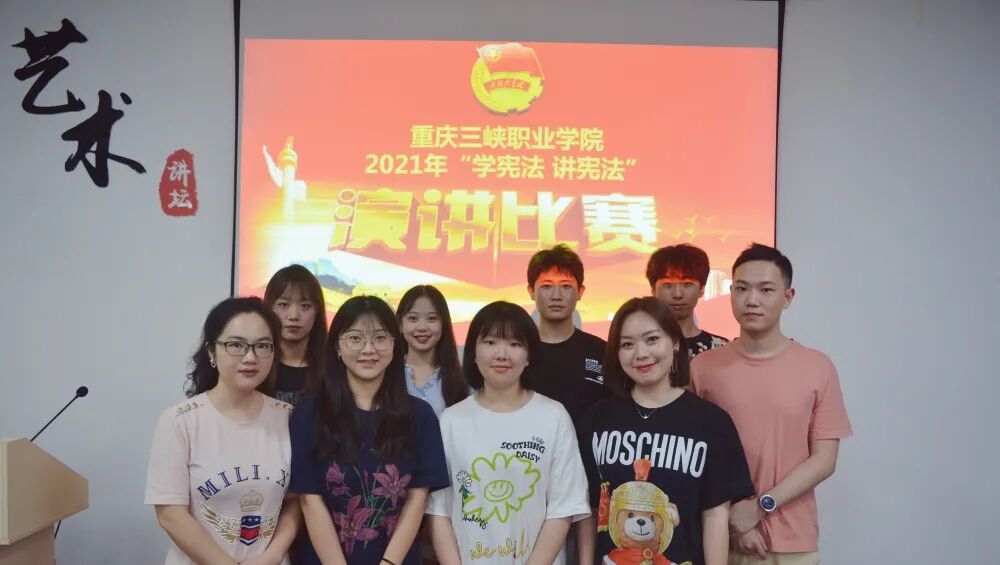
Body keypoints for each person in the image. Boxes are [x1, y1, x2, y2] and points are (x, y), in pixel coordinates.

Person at [691, 244, 853, 565]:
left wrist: (759, 507)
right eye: (741, 289)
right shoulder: (702, 368)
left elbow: (824, 460)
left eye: (766, 290)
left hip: (794, 541)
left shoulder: (817, 367)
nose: (752, 300)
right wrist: (733, 518)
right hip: (719, 540)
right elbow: (696, 457)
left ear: (788, 297)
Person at [577, 297, 754, 565]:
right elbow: (590, 509)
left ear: (675, 342)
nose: (641, 353)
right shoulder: (597, 419)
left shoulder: (711, 422)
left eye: (652, 339)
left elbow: (715, 515)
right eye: (627, 344)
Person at [426, 301, 591, 565]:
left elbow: (563, 509)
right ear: (474, 352)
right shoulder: (451, 421)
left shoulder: (553, 416)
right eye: (490, 342)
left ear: (529, 356)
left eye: (515, 344)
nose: (502, 354)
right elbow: (438, 511)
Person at [289, 296, 449, 564]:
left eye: (380, 338)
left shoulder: (420, 416)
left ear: (395, 345)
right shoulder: (309, 413)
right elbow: (309, 500)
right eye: (355, 338)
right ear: (337, 346)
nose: (368, 349)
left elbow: (417, 499)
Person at [146, 297, 299, 565]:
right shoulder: (179, 421)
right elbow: (170, 514)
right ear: (211, 351)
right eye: (236, 345)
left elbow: (295, 502)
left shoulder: (287, 418)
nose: (250, 357)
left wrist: (273, 556)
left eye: (262, 346)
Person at [525, 244, 608, 428]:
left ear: (580, 292)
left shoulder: (602, 351)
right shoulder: (519, 351)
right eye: (547, 286)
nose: (556, 296)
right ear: (531, 291)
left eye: (566, 286)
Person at [396, 285, 469, 416]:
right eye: (413, 318)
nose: (422, 327)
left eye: (432, 318)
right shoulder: (387, 374)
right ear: (400, 324)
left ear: (443, 324)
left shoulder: (461, 379)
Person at [646, 244, 728, 359]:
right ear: (653, 289)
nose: (677, 294)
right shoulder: (639, 348)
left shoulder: (721, 349)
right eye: (668, 285)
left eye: (687, 284)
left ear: (702, 289)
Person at [264, 264, 328, 406]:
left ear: (317, 312)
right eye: (284, 305)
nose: (293, 316)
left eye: (305, 306)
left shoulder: (333, 366)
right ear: (269, 308)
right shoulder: (256, 363)